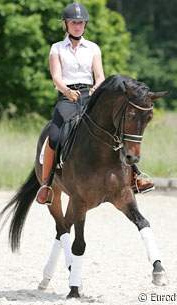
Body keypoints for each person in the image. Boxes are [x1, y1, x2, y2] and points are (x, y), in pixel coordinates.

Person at [36, 3, 154, 205]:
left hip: (90, 95)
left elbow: (100, 76)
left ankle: (135, 176)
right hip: (67, 97)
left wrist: (95, 89)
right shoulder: (57, 48)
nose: (77, 26)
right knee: (54, 135)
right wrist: (67, 91)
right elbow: (56, 76)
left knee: (116, 129)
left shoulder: (93, 48)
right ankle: (46, 185)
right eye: (74, 22)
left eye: (81, 23)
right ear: (66, 24)